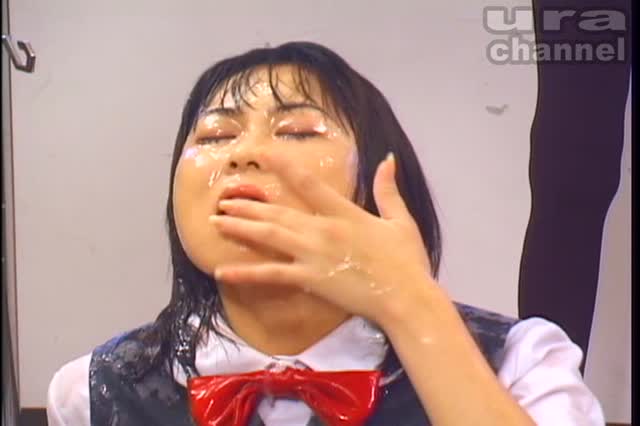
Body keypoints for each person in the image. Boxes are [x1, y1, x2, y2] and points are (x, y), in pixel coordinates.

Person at [47, 41, 604, 426]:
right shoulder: (91, 392)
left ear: (381, 180)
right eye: (215, 136)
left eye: (296, 130)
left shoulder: (522, 363)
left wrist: (412, 306)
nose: (244, 154)